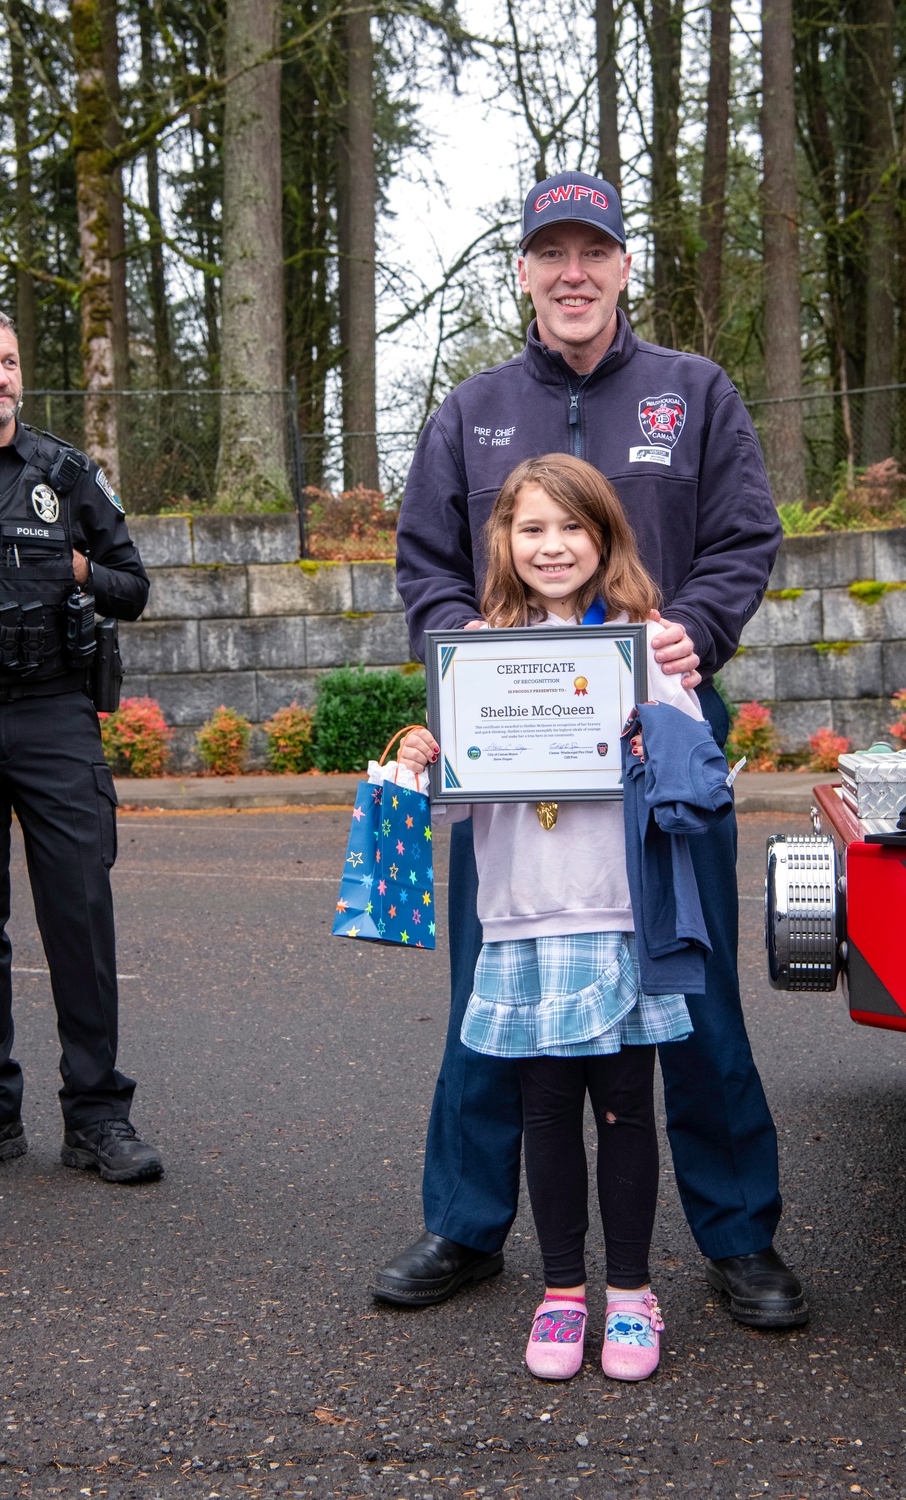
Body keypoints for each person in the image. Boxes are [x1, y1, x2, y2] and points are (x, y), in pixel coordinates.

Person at [379, 169, 807, 1330]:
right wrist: (454, 640)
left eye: (594, 252)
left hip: (658, 744)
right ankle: (467, 1225)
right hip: (506, 752)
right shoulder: (470, 411)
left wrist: (694, 632)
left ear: (623, 267)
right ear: (521, 271)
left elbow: (742, 537)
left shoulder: (694, 391)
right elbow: (423, 562)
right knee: (493, 983)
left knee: (692, 984)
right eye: (550, 253)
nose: (573, 273)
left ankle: (736, 1236)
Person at [397, 453, 732, 1380]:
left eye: (572, 527)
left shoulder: (646, 643)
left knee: (626, 1108)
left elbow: (700, 777)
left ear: (606, 537)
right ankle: (561, 1293)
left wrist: (659, 728)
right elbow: (459, 805)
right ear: (502, 541)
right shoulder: (474, 649)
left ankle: (630, 1293)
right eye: (531, 528)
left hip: (620, 913)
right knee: (543, 1111)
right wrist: (429, 756)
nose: (552, 546)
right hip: (521, 918)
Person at [0, 304, 162, 1185]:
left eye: (9, 361)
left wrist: (80, 568)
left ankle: (97, 1116)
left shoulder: (64, 472)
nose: (0, 377)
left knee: (79, 915)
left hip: (55, 717)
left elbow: (135, 585)